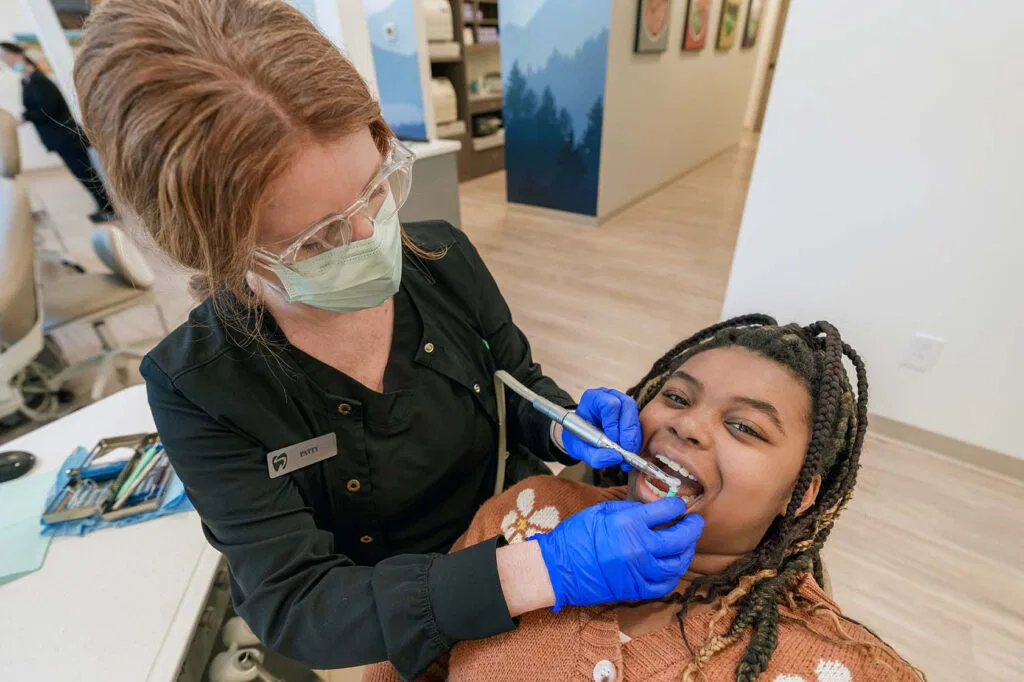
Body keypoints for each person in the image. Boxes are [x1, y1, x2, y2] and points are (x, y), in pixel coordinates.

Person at [71, 0, 703, 677]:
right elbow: (299, 603)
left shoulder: (445, 259)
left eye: (374, 189)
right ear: (218, 251)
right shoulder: (200, 385)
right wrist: (541, 573)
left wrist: (560, 426)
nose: (368, 238)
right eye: (315, 240)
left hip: (519, 524)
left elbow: (514, 384)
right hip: (380, 615)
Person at [365, 315, 925, 681]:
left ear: (800, 496)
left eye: (746, 428)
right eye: (678, 396)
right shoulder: (527, 512)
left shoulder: (844, 664)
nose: (687, 426)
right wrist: (533, 572)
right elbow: (408, 661)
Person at [0, 41, 116, 222]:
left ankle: (108, 209)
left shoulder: (39, 81)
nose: (4, 61)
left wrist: (24, 117)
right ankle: (104, 207)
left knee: (86, 174)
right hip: (59, 139)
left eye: (5, 56)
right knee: (83, 174)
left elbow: (47, 110)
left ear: (16, 55)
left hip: (66, 137)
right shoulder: (27, 81)